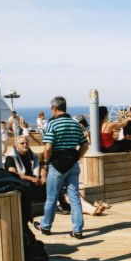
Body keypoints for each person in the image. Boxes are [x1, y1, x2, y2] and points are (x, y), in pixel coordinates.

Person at [34, 96, 89, 240]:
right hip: (73, 164)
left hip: (57, 165)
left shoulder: (53, 124)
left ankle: (45, 226)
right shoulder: (75, 124)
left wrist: (45, 162)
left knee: (51, 197)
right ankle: (77, 230)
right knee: (74, 197)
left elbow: (48, 148)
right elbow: (85, 145)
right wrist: (76, 158)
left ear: (54, 108)